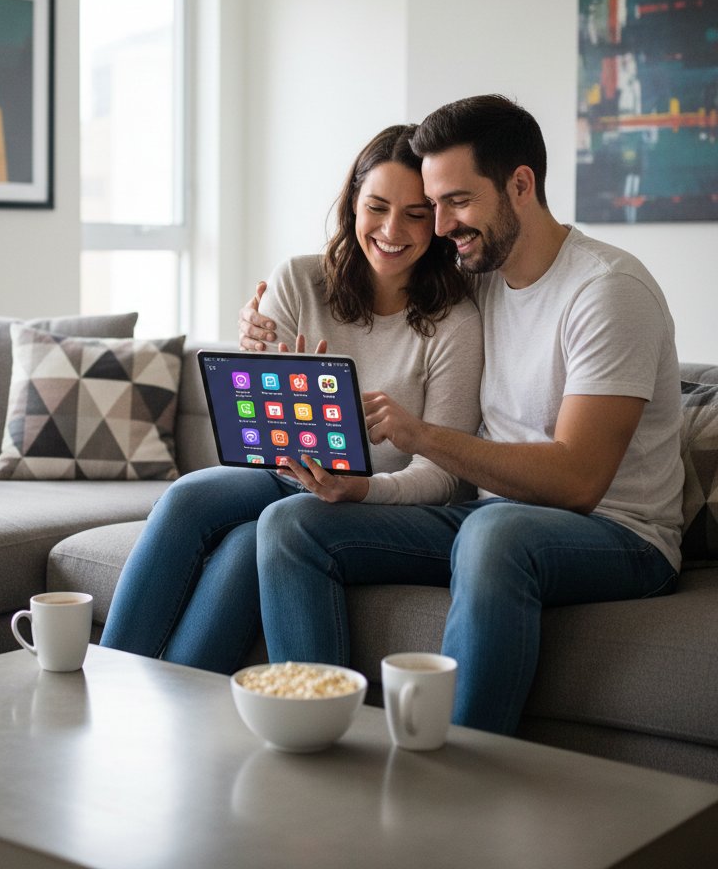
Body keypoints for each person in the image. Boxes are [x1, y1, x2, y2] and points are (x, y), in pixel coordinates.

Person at [240, 94, 684, 735]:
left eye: (457, 201)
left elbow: (578, 482)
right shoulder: (481, 274)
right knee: (291, 525)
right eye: (435, 204)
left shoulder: (607, 292)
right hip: (490, 514)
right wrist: (256, 330)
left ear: (521, 185)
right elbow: (375, 271)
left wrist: (422, 435)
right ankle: (320, 741)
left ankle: (464, 782)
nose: (441, 226)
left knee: (493, 533)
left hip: (622, 535)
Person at [100, 124, 484, 673]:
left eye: (416, 214)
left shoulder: (455, 322)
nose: (392, 229)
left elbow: (445, 476)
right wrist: (254, 360)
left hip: (388, 500)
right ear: (352, 202)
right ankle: (110, 684)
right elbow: (251, 421)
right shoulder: (300, 280)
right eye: (376, 206)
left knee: (244, 549)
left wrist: (361, 488)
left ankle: (180, 709)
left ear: (438, 222)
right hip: (284, 474)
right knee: (187, 497)